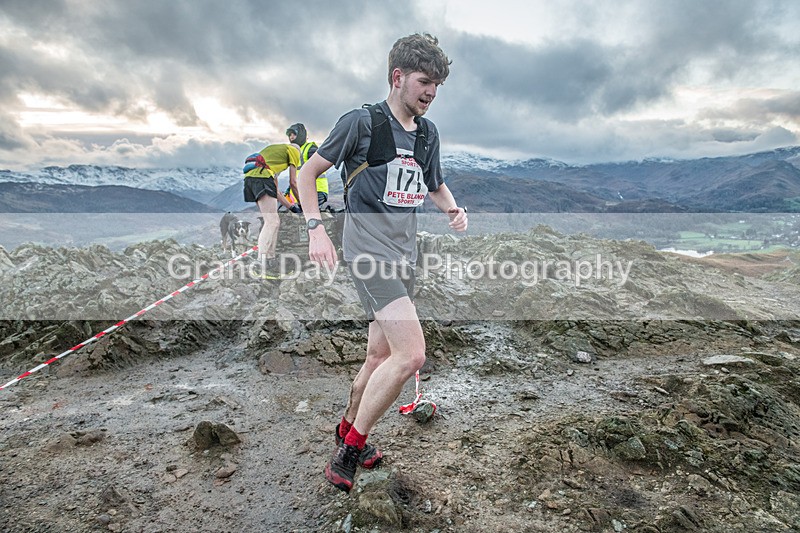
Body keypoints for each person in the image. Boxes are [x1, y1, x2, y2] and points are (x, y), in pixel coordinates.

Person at [296, 33, 467, 493]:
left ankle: (346, 425)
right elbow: (306, 174)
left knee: (379, 355)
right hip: (368, 255)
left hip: (404, 256)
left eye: (437, 86)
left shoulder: (428, 134)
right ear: (398, 77)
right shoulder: (362, 123)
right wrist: (315, 229)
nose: (431, 93)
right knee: (412, 354)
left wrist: (452, 208)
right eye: (424, 82)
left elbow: (433, 184)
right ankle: (349, 449)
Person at [243, 143, 301, 271]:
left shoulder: (273, 156)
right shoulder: (294, 151)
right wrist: (301, 204)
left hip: (250, 180)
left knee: (274, 221)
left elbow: (276, 191)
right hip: (262, 179)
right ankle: (260, 262)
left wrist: (291, 207)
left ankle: (270, 259)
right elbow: (293, 182)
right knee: (272, 222)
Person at [286, 122, 329, 209]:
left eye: (294, 134)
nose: (291, 137)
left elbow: (317, 168)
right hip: (303, 191)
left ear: (301, 135)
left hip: (316, 189)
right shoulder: (294, 151)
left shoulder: (310, 149)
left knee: (308, 214)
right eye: (290, 135)